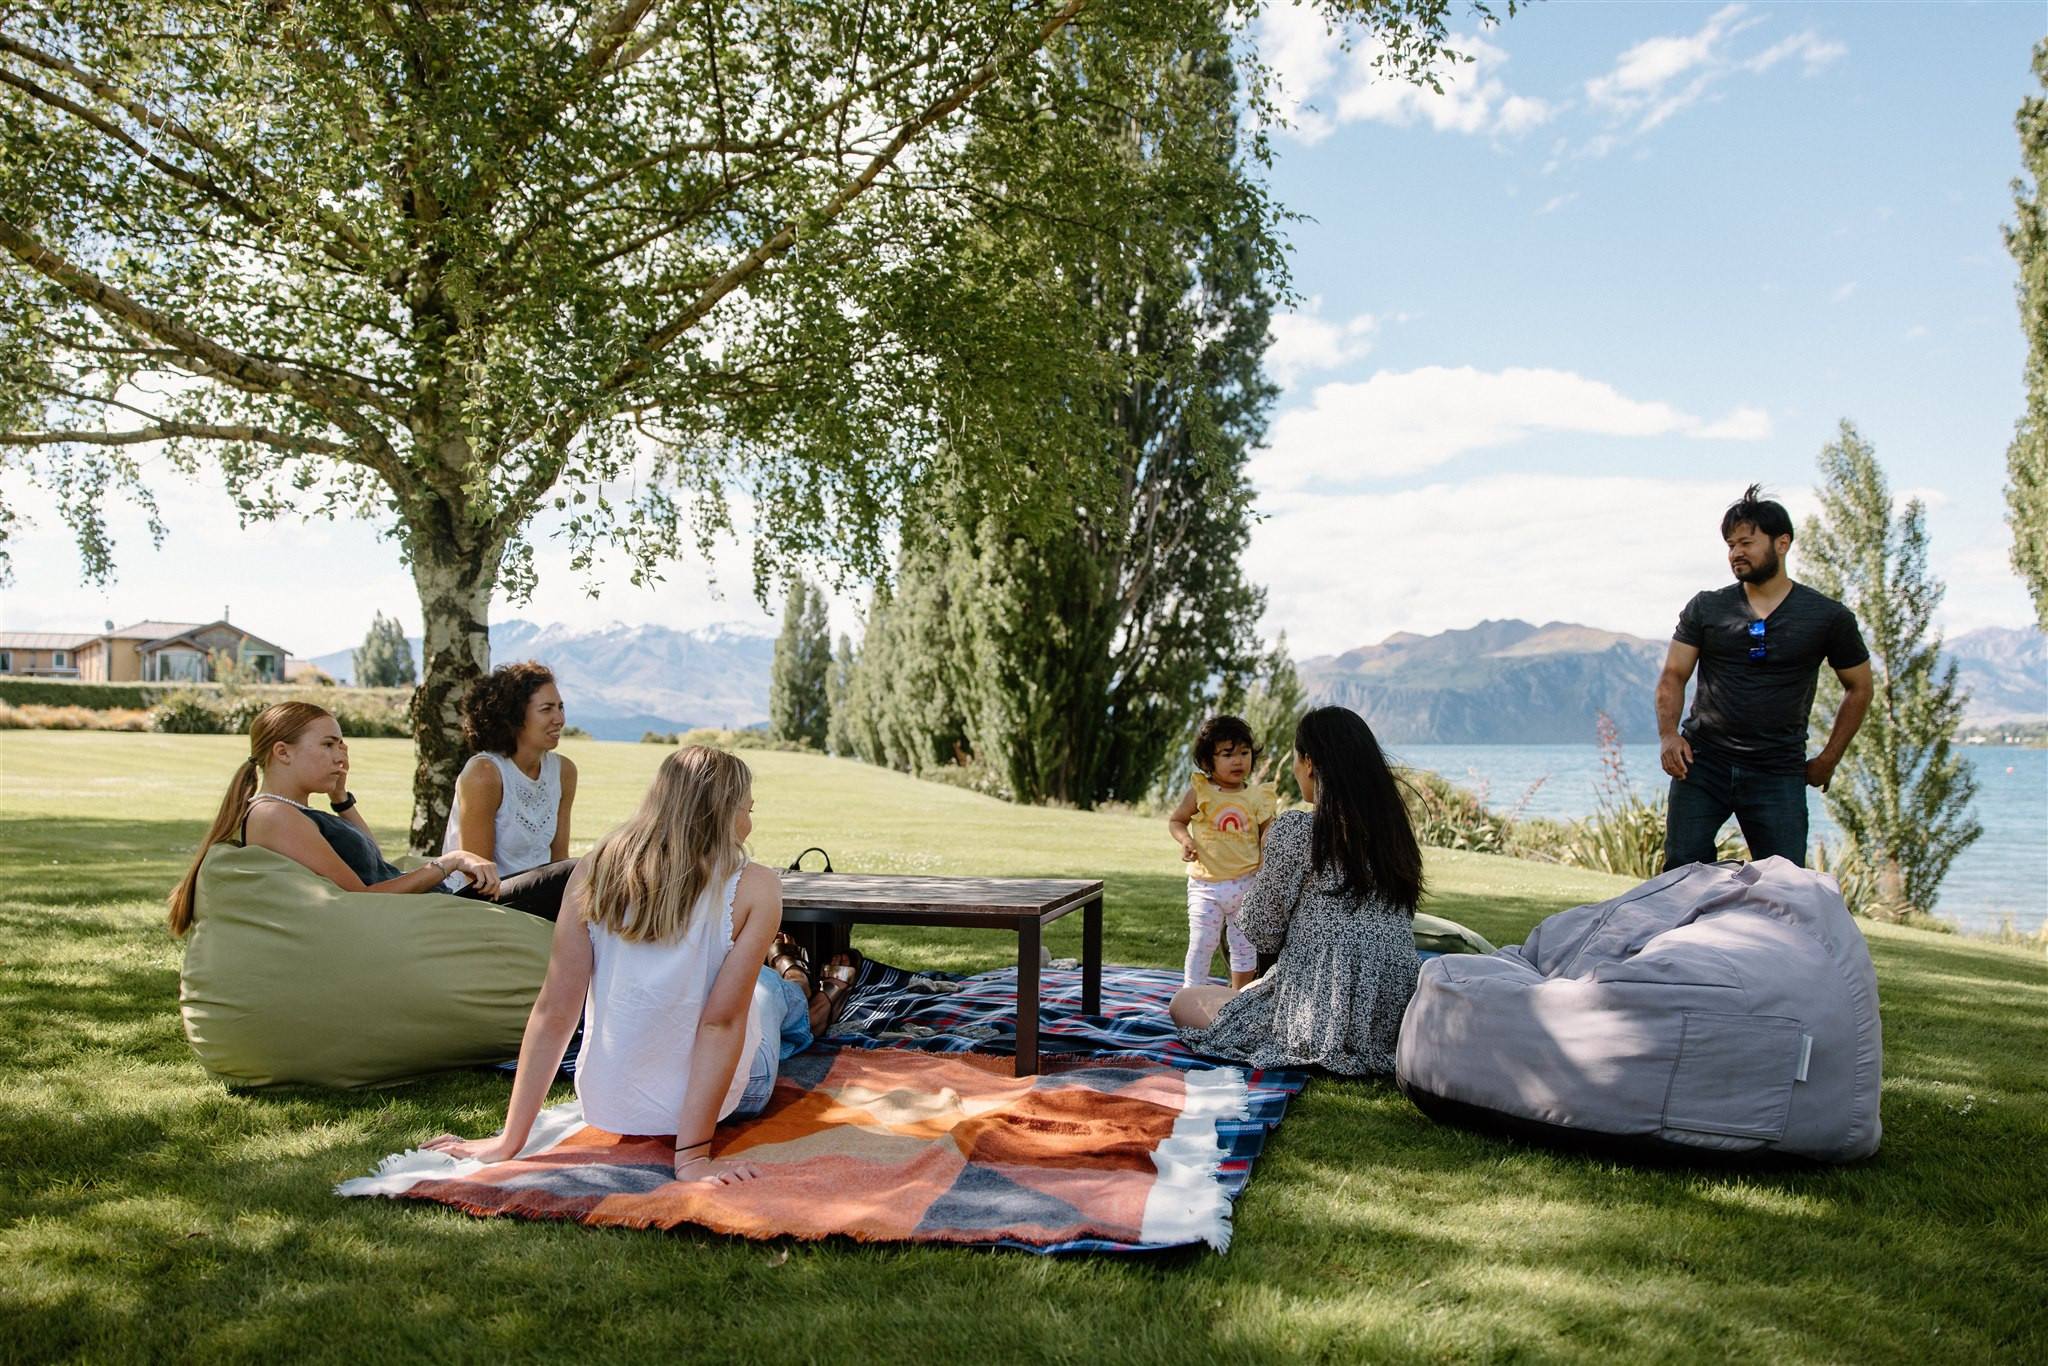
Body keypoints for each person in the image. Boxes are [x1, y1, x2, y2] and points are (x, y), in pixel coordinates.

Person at [425, 746, 855, 1184]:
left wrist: (508, 1141)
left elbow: (555, 1011)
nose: (750, 823)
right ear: (724, 814)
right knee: (767, 992)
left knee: (758, 990)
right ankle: (808, 990)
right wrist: (692, 1158)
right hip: (731, 1099)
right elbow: (720, 1024)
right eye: (748, 809)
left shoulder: (593, 868)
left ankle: (796, 982)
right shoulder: (758, 885)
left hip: (612, 1101)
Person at [1170, 706, 1425, 1075]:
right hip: (1391, 1017)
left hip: (1312, 1011)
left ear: (1308, 763)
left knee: (1184, 1001)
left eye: (1295, 758)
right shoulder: (1394, 836)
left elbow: (1263, 930)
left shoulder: (1297, 831)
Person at [1656, 484, 1874, 870]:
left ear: (1782, 543)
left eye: (1746, 542)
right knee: (1681, 872)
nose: (1736, 553)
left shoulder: (1827, 617)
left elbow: (1859, 688)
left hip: (1778, 770)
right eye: (1730, 544)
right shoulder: (1708, 606)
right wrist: (1669, 735)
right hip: (1703, 763)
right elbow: (1674, 674)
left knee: (1784, 884)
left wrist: (1829, 757)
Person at [167, 702, 502, 936]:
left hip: (433, 907)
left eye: (342, 745)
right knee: (554, 884)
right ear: (283, 752)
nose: (341, 756)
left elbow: (373, 859)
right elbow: (362, 897)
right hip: (424, 918)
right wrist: (450, 861)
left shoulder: (294, 810)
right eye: (328, 744)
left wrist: (340, 799)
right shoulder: (274, 815)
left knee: (553, 884)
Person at [444, 661, 581, 918]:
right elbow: (477, 876)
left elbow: (558, 858)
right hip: (483, 898)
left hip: (539, 894)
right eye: (546, 709)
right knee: (576, 871)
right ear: (515, 716)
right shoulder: (485, 774)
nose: (559, 719)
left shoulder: (564, 772)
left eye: (561, 707)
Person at [1166, 715, 1278, 990]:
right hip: (1205, 885)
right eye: (1228, 754)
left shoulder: (1256, 796)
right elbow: (1176, 820)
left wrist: (1266, 858)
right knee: (1202, 941)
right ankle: (1192, 993)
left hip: (1245, 885)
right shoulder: (1201, 791)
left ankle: (1236, 996)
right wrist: (1185, 840)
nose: (1238, 760)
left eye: (1244, 753)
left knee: (1244, 946)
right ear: (1207, 762)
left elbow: (1269, 832)